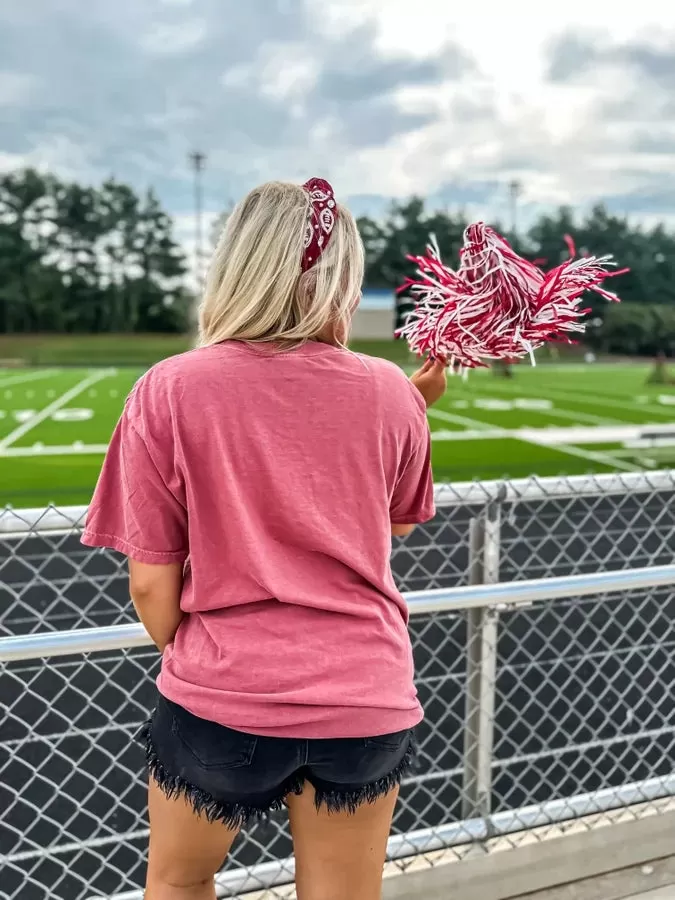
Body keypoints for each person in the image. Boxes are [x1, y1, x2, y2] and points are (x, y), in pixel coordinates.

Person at [81, 178, 447, 900]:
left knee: (181, 884)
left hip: (224, 694)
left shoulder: (170, 387)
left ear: (236, 265)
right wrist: (409, 402)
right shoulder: (391, 391)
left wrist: (202, 653)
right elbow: (391, 522)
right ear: (341, 278)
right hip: (364, 694)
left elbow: (151, 581)